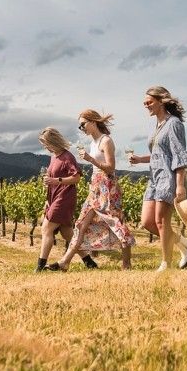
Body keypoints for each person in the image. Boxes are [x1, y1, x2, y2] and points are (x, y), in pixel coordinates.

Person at [48, 110, 135, 271]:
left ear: (93, 122)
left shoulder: (106, 141)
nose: (82, 128)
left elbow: (111, 168)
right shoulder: (93, 143)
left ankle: (126, 264)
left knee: (115, 221)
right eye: (80, 126)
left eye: (83, 124)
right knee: (81, 224)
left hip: (107, 186)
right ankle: (64, 262)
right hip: (95, 186)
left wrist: (90, 159)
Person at [127, 86, 187, 271]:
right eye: (145, 102)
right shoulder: (157, 126)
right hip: (154, 178)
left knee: (161, 222)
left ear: (161, 101)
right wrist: (140, 159)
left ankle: (166, 263)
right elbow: (159, 154)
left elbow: (179, 155)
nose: (146, 105)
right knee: (147, 222)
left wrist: (180, 185)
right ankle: (184, 243)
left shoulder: (174, 123)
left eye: (149, 102)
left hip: (168, 177)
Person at [35, 127, 85, 272]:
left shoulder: (67, 157)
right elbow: (52, 180)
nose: (45, 147)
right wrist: (48, 198)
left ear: (54, 141)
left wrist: (56, 180)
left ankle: (40, 266)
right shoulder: (54, 157)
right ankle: (88, 261)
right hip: (54, 197)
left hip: (64, 197)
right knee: (66, 232)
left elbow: (76, 178)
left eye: (46, 143)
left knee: (46, 228)